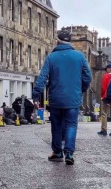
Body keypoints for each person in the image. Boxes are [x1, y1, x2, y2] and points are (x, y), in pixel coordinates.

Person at [32, 30, 92, 165]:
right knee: (71, 125)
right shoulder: (79, 56)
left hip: (56, 98)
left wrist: (36, 95)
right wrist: (81, 89)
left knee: (57, 125)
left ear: (57, 41)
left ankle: (58, 152)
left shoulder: (52, 57)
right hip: (73, 98)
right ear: (70, 42)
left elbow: (42, 78)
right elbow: (88, 76)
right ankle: (69, 153)